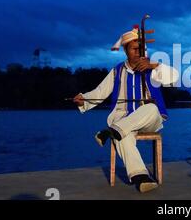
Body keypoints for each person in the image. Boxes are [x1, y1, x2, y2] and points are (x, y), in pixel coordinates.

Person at [73, 25, 179, 193]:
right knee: (123, 135)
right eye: (134, 49)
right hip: (122, 120)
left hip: (149, 119)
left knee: (152, 108)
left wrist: (154, 66)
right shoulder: (117, 71)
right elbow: (99, 93)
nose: (138, 52)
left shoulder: (152, 68)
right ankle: (141, 177)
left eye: (141, 49)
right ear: (126, 51)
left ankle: (112, 131)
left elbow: (175, 77)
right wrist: (82, 100)